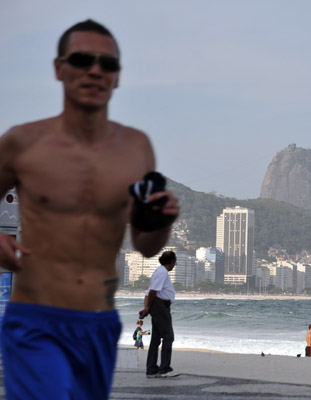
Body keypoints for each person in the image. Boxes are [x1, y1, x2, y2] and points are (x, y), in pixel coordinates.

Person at [0, 19, 179, 399]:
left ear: (117, 77)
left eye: (108, 64)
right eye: (82, 60)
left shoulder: (135, 148)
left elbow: (146, 245)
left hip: (97, 323)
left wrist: (161, 220)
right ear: (59, 68)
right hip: (37, 317)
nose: (95, 70)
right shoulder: (23, 143)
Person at [139, 251, 179, 378]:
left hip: (157, 307)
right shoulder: (162, 273)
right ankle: (164, 368)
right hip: (160, 307)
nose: (174, 264)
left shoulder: (158, 271)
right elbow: (152, 293)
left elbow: (148, 293)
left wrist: (147, 308)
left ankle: (151, 369)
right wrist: (147, 309)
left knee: (156, 339)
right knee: (168, 337)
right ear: (171, 261)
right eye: (174, 261)